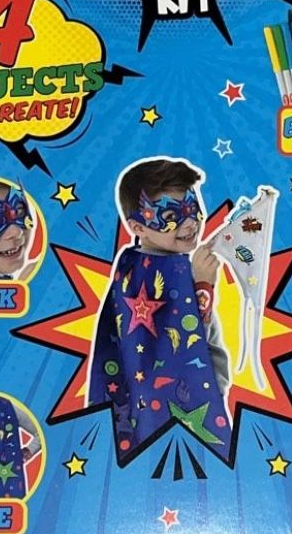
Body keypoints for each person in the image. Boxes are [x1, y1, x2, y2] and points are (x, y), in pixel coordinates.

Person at [88, 156, 231, 463]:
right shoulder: (143, 274)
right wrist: (202, 287)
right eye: (170, 215)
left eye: (192, 208)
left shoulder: (140, 264)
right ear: (138, 226)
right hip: (162, 411)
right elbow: (176, 347)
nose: (190, 223)